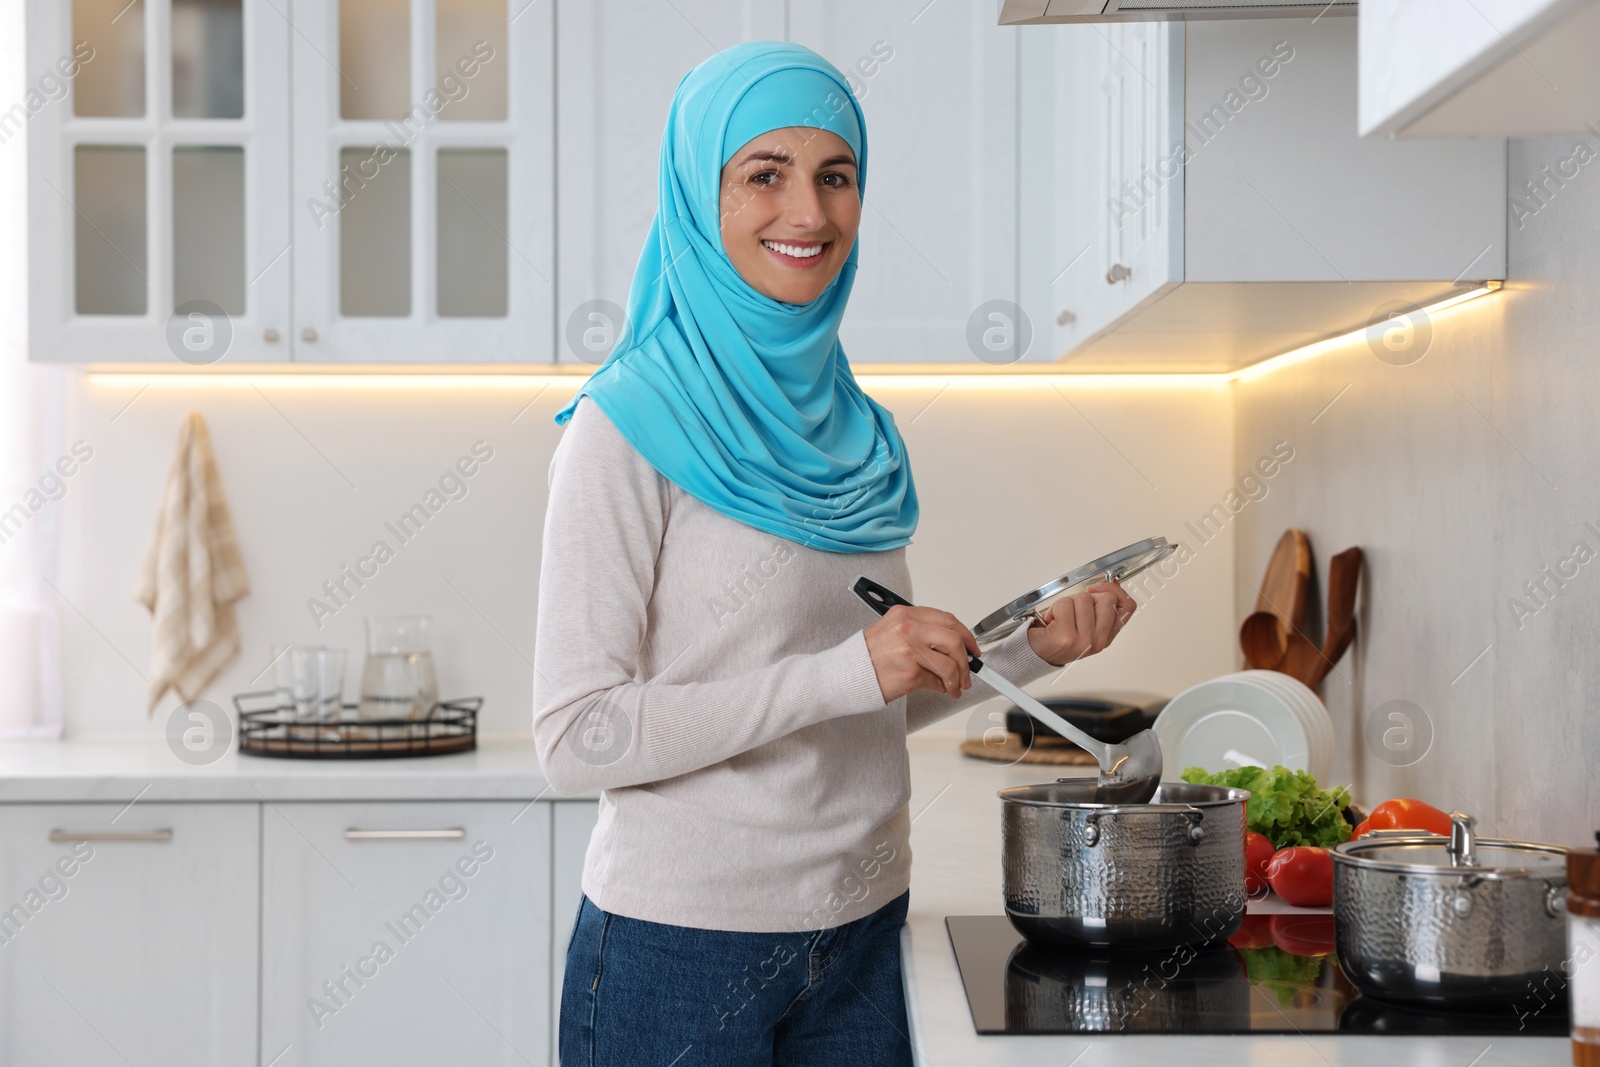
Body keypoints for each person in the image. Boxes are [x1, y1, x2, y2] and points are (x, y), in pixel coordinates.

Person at [533, 41, 1135, 1067]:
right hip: (681, 952)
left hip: (860, 932)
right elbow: (574, 735)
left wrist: (1031, 651)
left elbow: (867, 699)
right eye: (763, 174)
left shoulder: (857, 429)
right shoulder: (626, 422)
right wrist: (850, 668)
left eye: (835, 175)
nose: (807, 214)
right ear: (698, 193)